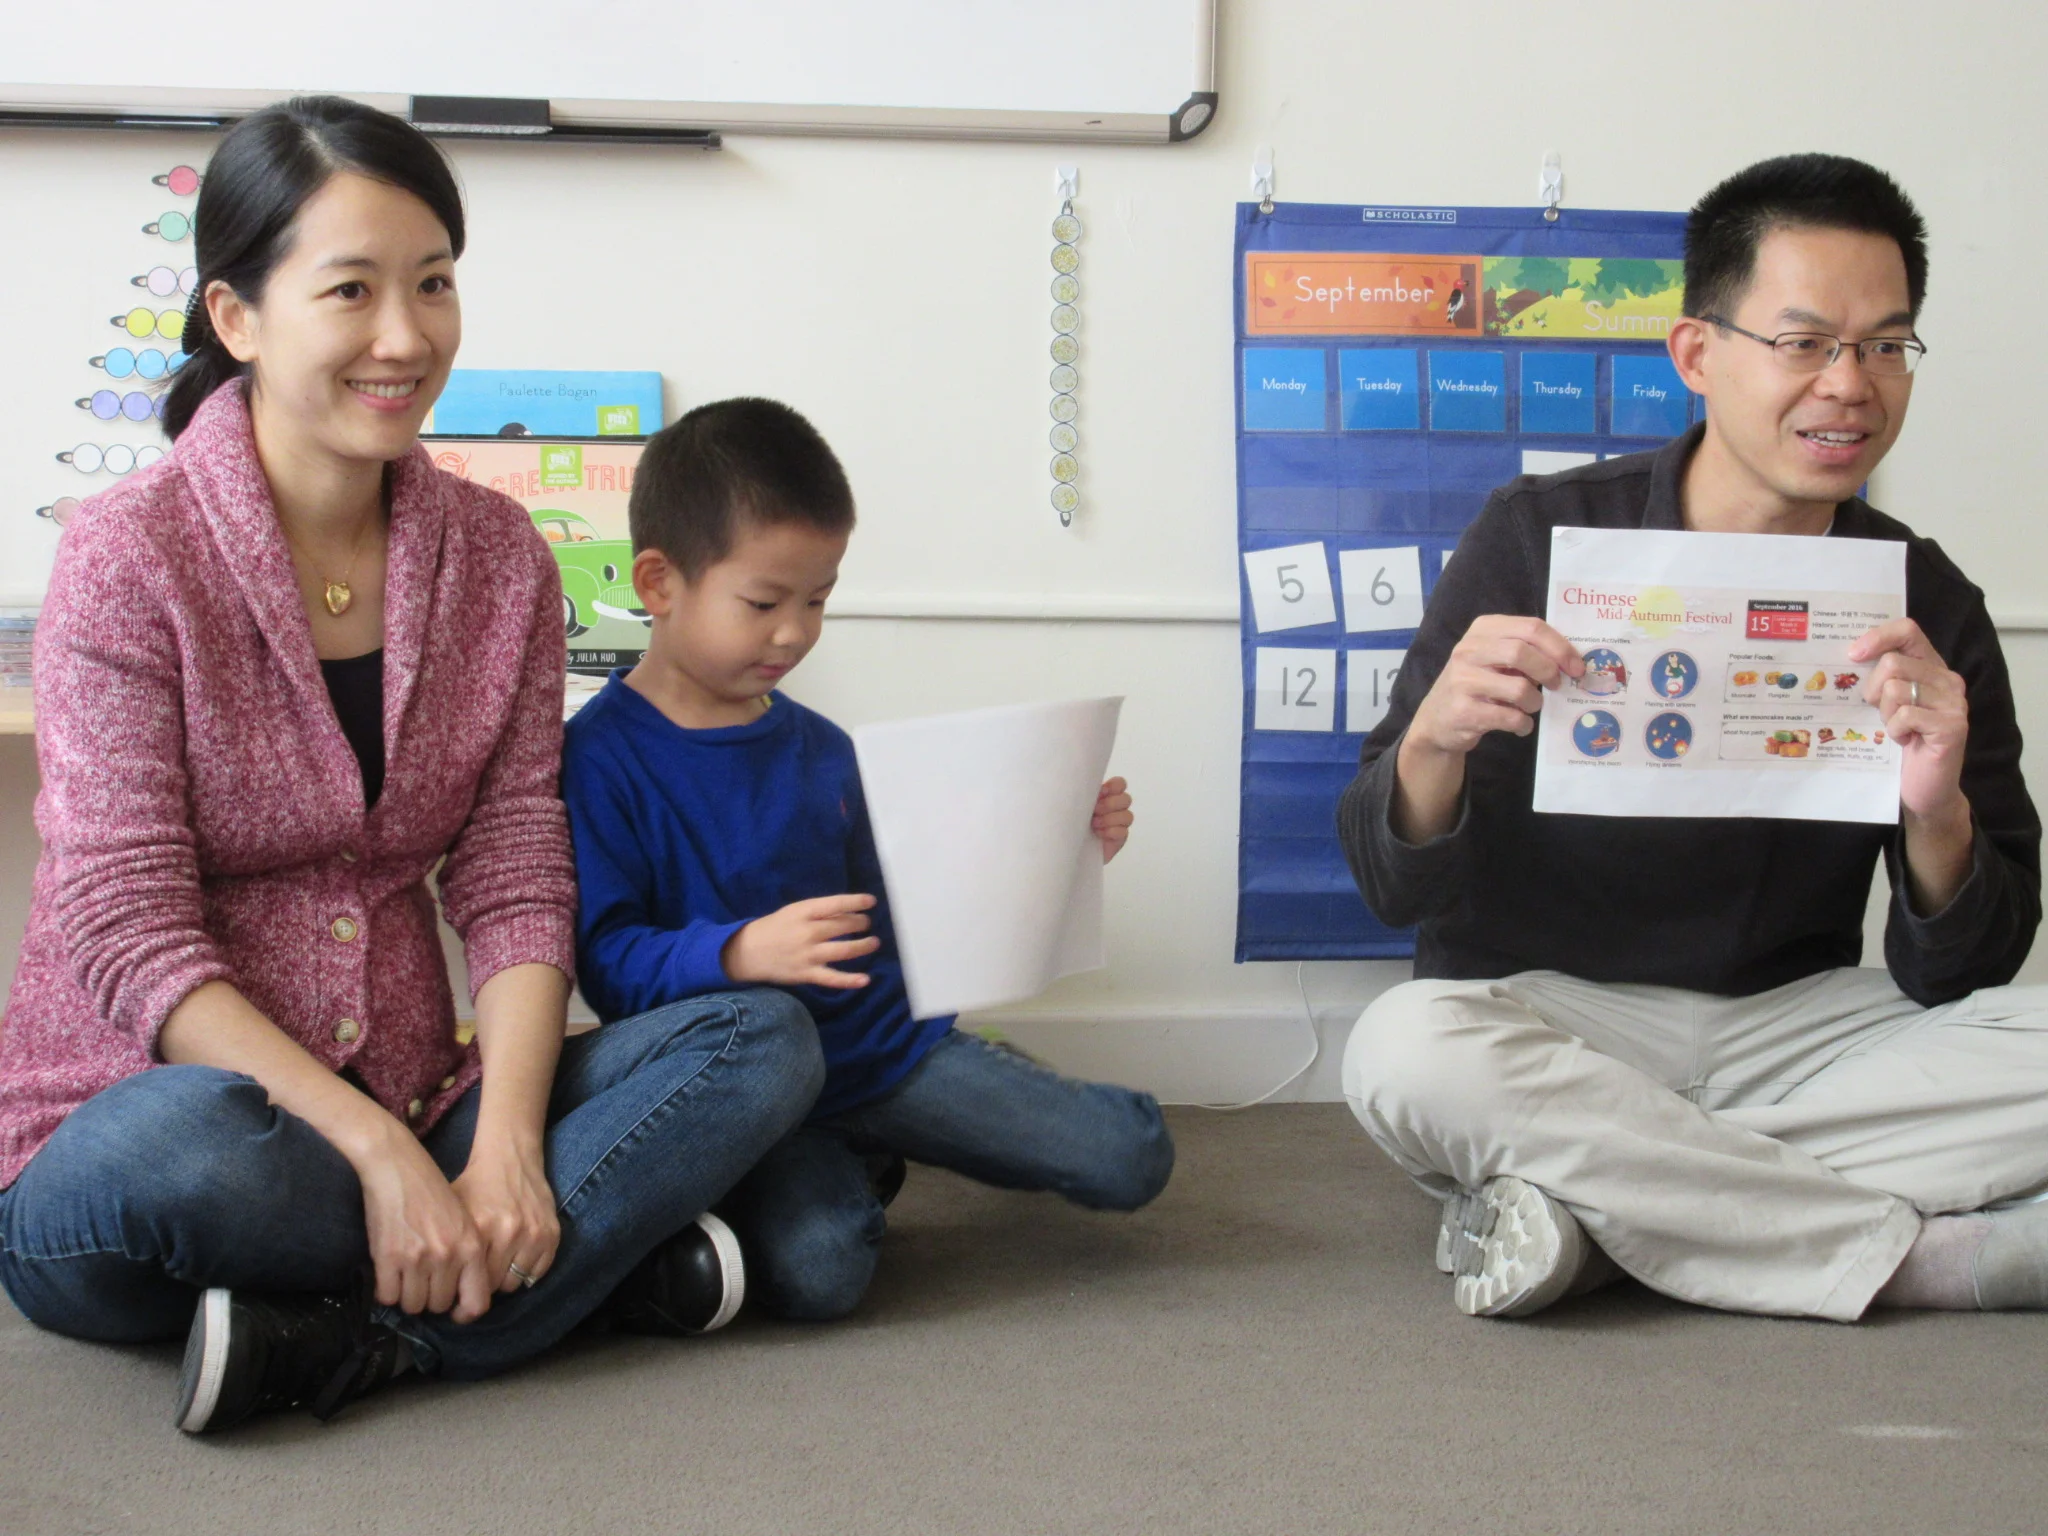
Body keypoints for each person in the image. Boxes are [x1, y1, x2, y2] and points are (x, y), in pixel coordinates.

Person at [0, 97, 823, 1435]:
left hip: (415, 1087)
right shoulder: (126, 555)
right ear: (239, 318)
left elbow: (512, 868)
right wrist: (378, 1152)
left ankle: (347, 1341)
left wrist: (502, 1138)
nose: (407, 335)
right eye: (352, 290)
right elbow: (123, 929)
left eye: (434, 282)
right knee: (211, 1154)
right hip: (151, 1126)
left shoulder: (499, 558)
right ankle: (576, 1277)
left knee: (764, 1041)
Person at [1337, 153, 2048, 1321]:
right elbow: (1384, 882)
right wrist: (1430, 752)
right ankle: (1924, 1258)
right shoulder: (1535, 537)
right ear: (1696, 353)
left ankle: (1597, 1217)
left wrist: (1937, 814)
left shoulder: (1923, 598)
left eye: (1883, 345)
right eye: (1804, 341)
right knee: (1404, 1051)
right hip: (1549, 1016)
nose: (1848, 385)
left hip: (1795, 1031)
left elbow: (1962, 975)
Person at [561, 397, 1175, 1321]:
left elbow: (910, 912)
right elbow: (605, 960)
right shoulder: (599, 759)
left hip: (883, 1055)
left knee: (1134, 1157)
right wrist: (735, 955)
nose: (795, 632)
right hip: (750, 1092)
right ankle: (816, 1175)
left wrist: (1063, 847)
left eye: (818, 601)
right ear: (658, 583)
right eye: (764, 603)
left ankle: (879, 1138)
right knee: (822, 1271)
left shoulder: (824, 748)